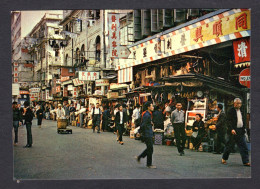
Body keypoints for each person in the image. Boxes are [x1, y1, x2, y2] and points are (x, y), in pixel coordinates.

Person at [222, 98, 250, 166]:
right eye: (237, 103)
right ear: (234, 103)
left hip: (240, 131)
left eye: (240, 103)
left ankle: (246, 161)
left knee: (244, 146)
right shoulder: (230, 110)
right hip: (233, 131)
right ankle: (224, 158)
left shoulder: (242, 110)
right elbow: (228, 121)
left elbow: (242, 120)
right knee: (229, 146)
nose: (239, 105)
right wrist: (231, 129)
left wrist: (244, 129)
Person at [136, 101, 156, 168]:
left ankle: (140, 157)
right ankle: (149, 164)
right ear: (148, 107)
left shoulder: (148, 114)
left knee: (149, 148)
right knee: (150, 148)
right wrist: (139, 131)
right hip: (147, 133)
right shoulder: (147, 115)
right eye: (151, 106)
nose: (153, 107)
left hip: (148, 132)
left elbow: (146, 123)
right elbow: (143, 124)